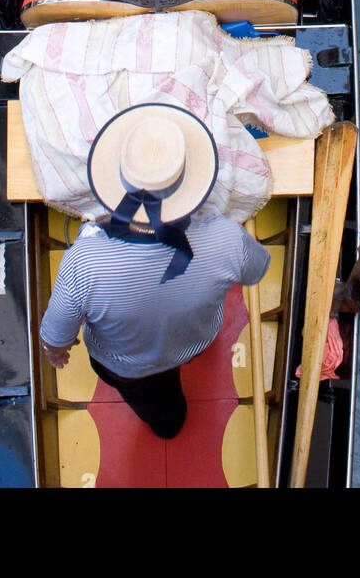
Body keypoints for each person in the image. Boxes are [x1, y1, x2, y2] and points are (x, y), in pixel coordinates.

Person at [39, 102, 270, 439]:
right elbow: (256, 269)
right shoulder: (227, 238)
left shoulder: (83, 261)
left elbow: (55, 337)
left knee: (163, 415)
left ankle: (166, 422)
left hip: (129, 370)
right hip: (197, 341)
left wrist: (56, 354)